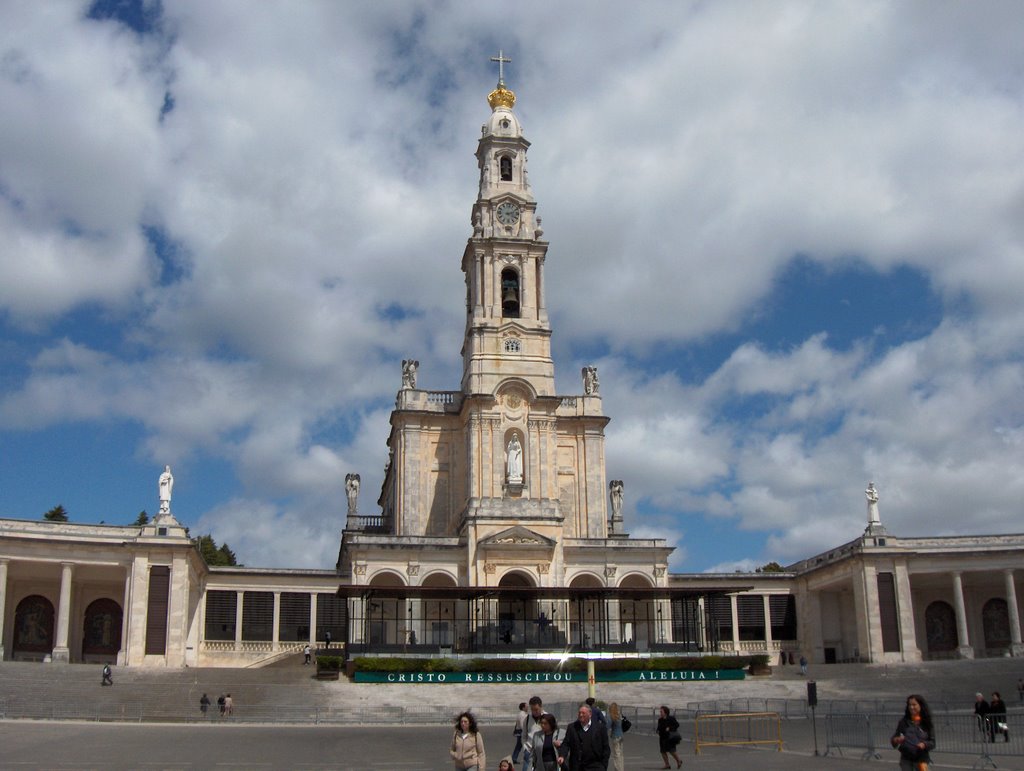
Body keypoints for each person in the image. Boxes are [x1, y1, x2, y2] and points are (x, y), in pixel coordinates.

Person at [891, 694, 935, 770]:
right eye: (909, 705)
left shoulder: (927, 722)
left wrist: (924, 744)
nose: (911, 707)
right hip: (906, 760)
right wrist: (896, 740)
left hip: (922, 760)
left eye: (914, 705)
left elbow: (933, 742)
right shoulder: (903, 722)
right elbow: (894, 739)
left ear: (920, 705)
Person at [563, 704, 609, 771]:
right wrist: (562, 756)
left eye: (583, 713)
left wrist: (603, 766)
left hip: (595, 766)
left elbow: (606, 748)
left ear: (590, 714)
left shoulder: (600, 728)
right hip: (577, 766)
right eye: (579, 713)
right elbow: (566, 743)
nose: (581, 715)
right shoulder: (572, 727)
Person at [521, 696, 552, 771]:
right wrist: (525, 748)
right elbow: (524, 735)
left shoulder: (548, 718)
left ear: (541, 707)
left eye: (536, 709)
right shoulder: (527, 718)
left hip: (543, 752)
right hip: (529, 751)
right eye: (532, 709)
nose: (534, 712)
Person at [656, 705, 682, 769]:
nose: (660, 713)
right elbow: (659, 727)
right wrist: (657, 730)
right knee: (663, 751)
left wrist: (670, 728)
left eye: (661, 711)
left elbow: (677, 725)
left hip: (670, 737)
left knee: (671, 751)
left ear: (665, 712)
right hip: (662, 737)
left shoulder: (671, 718)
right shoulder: (660, 719)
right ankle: (667, 765)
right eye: (660, 711)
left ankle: (678, 761)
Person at [608, 703, 625, 771]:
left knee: (616, 754)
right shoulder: (619, 715)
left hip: (615, 736)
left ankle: (618, 769)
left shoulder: (612, 716)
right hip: (621, 735)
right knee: (621, 754)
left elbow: (608, 726)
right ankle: (621, 768)